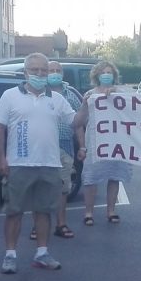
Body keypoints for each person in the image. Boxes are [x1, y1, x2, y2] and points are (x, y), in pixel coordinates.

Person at [0, 53, 75, 273]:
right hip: (18, 164)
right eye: (35, 70)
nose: (40, 74)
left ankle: (42, 253)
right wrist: (1, 158)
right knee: (14, 212)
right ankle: (10, 255)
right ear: (25, 72)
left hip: (50, 164)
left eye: (44, 70)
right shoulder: (9, 96)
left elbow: (76, 121)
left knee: (44, 212)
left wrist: (90, 104)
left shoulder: (56, 99)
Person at [72, 61, 133, 225]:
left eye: (109, 72)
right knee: (91, 178)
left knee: (114, 176)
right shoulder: (90, 95)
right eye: (103, 72)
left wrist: (117, 95)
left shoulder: (121, 93)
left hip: (117, 143)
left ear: (114, 75)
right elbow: (78, 121)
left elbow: (134, 112)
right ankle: (89, 213)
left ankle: (111, 211)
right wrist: (85, 104)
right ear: (97, 76)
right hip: (96, 143)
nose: (107, 75)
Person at [42, 59, 85, 241]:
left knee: (62, 188)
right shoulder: (37, 93)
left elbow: (78, 124)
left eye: (57, 70)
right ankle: (39, 225)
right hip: (42, 146)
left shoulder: (70, 95)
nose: (54, 73)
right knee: (41, 187)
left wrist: (82, 146)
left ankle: (61, 224)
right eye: (50, 70)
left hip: (64, 146)